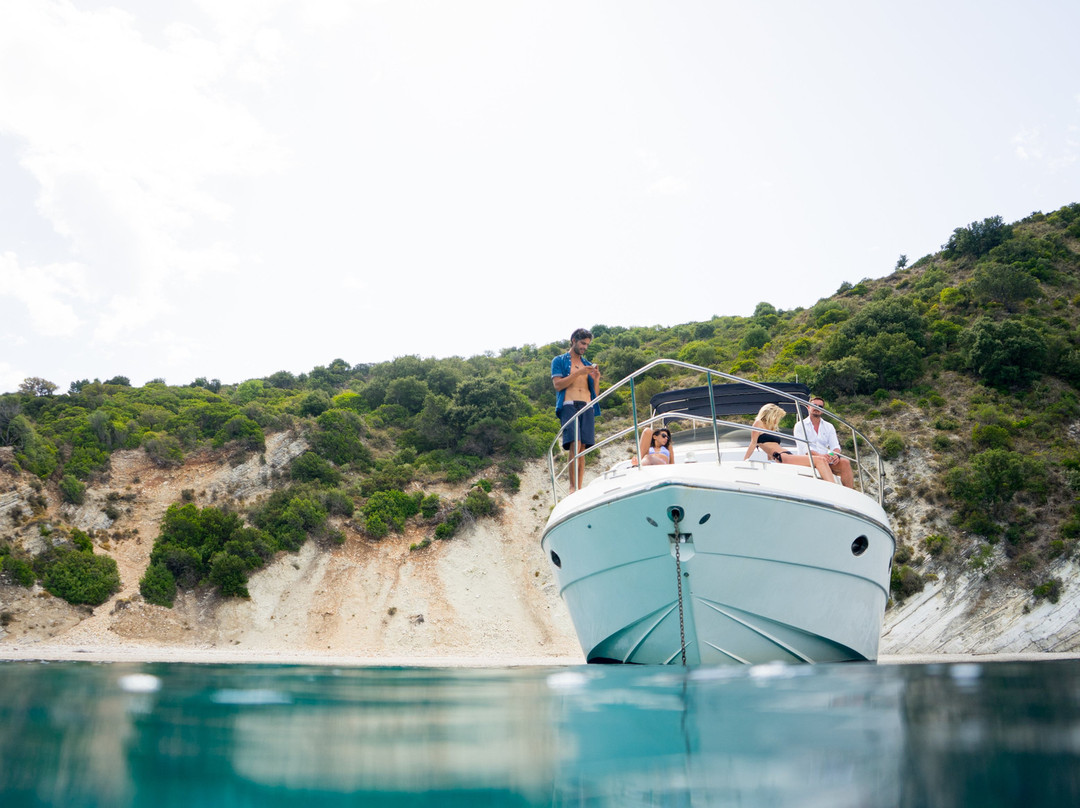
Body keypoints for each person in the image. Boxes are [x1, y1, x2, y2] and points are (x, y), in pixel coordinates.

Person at [551, 328, 601, 493]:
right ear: (573, 340)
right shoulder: (559, 360)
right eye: (582, 343)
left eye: (587, 344)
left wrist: (596, 379)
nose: (584, 347)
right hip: (569, 404)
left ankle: (579, 487)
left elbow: (595, 394)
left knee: (583, 447)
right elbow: (558, 385)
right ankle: (572, 487)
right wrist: (578, 373)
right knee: (575, 442)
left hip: (587, 405)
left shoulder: (587, 364)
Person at [743, 403, 835, 483]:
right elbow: (753, 443)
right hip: (782, 456)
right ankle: (834, 489)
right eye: (777, 417)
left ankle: (833, 487)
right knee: (819, 460)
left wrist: (770, 462)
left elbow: (769, 448)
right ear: (771, 414)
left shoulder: (770, 428)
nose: (777, 420)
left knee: (820, 461)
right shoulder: (758, 423)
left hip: (785, 455)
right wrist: (745, 460)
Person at [791, 395, 855, 488]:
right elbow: (805, 449)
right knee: (821, 460)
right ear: (808, 407)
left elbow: (835, 447)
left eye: (820, 407)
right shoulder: (800, 425)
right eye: (814, 405)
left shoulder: (829, 426)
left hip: (826, 459)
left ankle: (848, 495)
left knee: (845, 462)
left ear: (823, 410)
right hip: (808, 459)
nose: (817, 408)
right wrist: (821, 456)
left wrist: (834, 456)